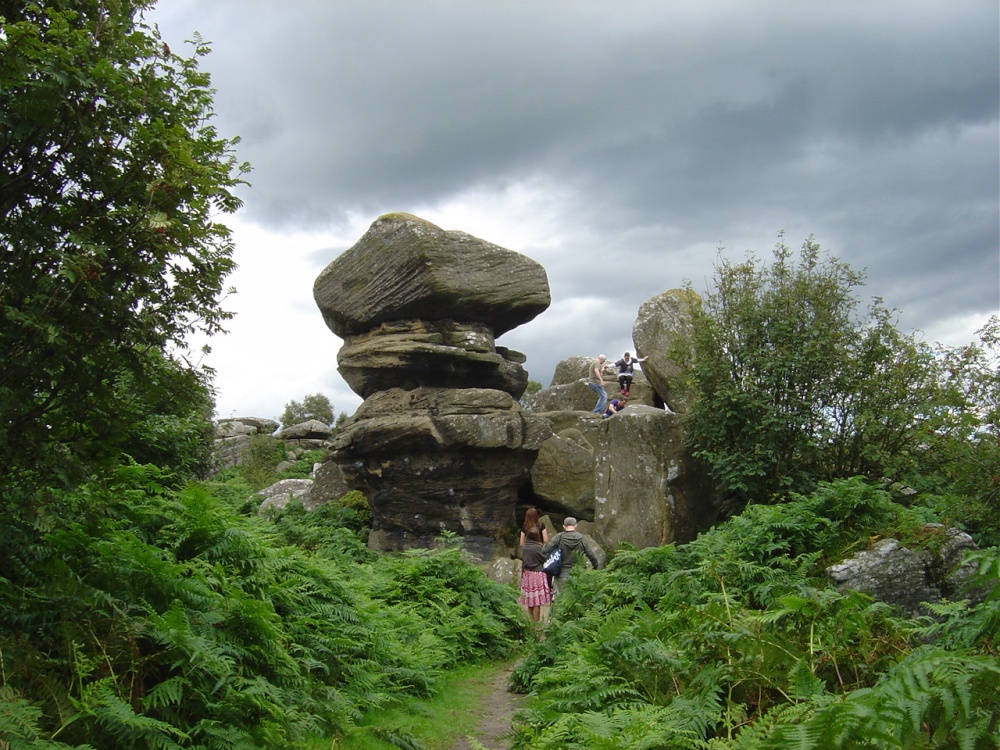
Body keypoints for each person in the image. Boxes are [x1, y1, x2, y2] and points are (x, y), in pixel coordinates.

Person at [541, 516, 602, 597]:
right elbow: (591, 555)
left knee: (559, 599)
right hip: (578, 575)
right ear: (576, 526)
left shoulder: (559, 537)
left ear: (564, 526)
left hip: (561, 574)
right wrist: (595, 567)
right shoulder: (582, 539)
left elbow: (545, 550)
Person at [518, 527, 552, 622]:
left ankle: (531, 623)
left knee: (530, 601)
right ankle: (536, 624)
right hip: (537, 575)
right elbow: (545, 559)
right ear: (537, 536)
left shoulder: (525, 547)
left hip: (527, 575)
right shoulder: (538, 548)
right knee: (536, 602)